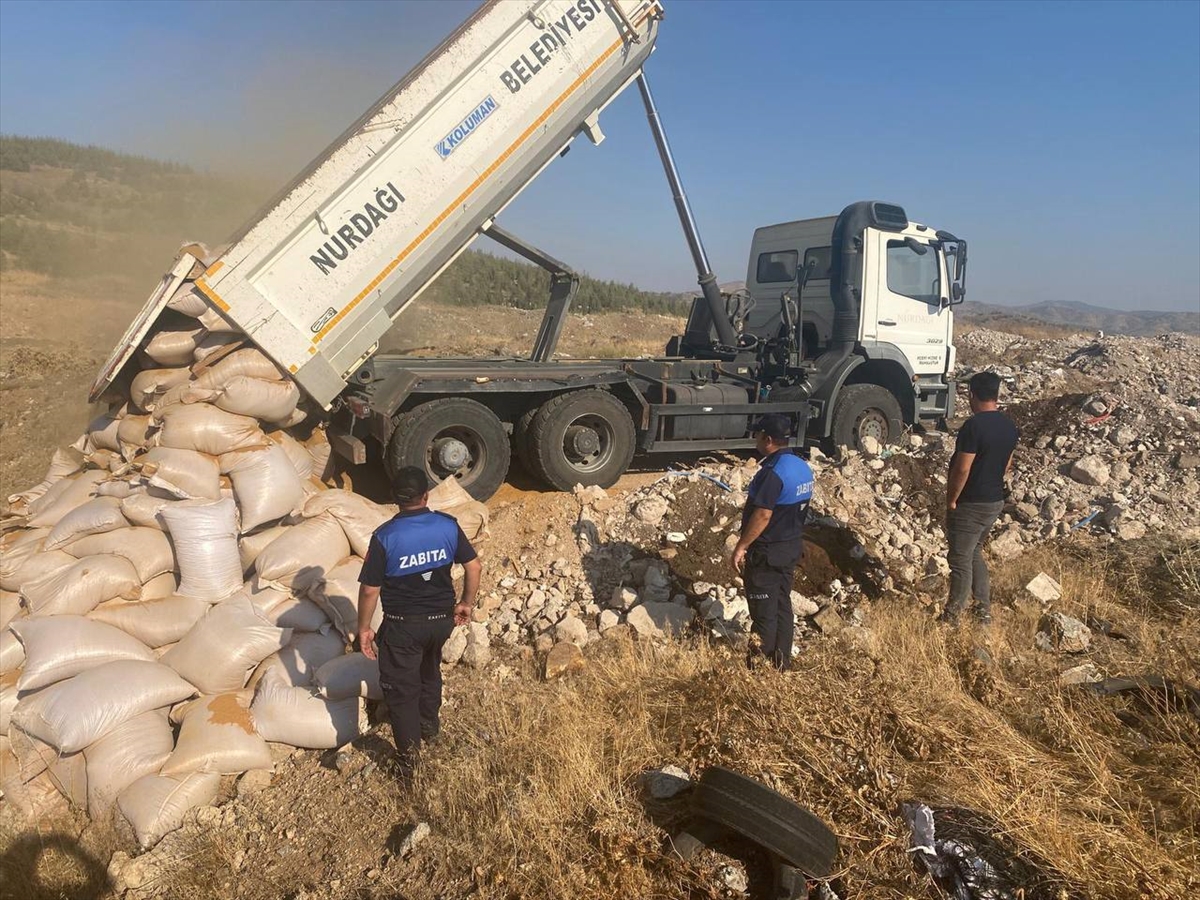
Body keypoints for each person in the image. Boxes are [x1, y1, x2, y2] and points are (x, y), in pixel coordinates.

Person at [357, 466, 482, 775]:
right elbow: (474, 566)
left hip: (404, 625)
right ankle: (429, 729)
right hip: (441, 621)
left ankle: (409, 761)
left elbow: (370, 589)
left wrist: (363, 628)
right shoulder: (447, 525)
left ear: (395, 500)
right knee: (429, 671)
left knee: (401, 690)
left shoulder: (385, 536)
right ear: (426, 496)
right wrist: (465, 603)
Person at [732, 413, 814, 670]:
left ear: (767, 439)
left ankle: (757, 670)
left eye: (758, 435)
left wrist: (742, 545)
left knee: (763, 613)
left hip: (766, 552)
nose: (755, 439)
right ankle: (782, 663)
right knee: (782, 605)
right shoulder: (801, 467)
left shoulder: (772, 474)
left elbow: (764, 514)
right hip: (790, 547)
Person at [940, 371, 1019, 624]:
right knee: (974, 552)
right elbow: (1008, 464)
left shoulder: (973, 426)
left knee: (960, 560)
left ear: (972, 395)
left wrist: (952, 499)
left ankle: (952, 617)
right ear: (997, 394)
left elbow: (962, 468)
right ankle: (982, 610)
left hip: (971, 504)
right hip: (994, 501)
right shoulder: (1009, 427)